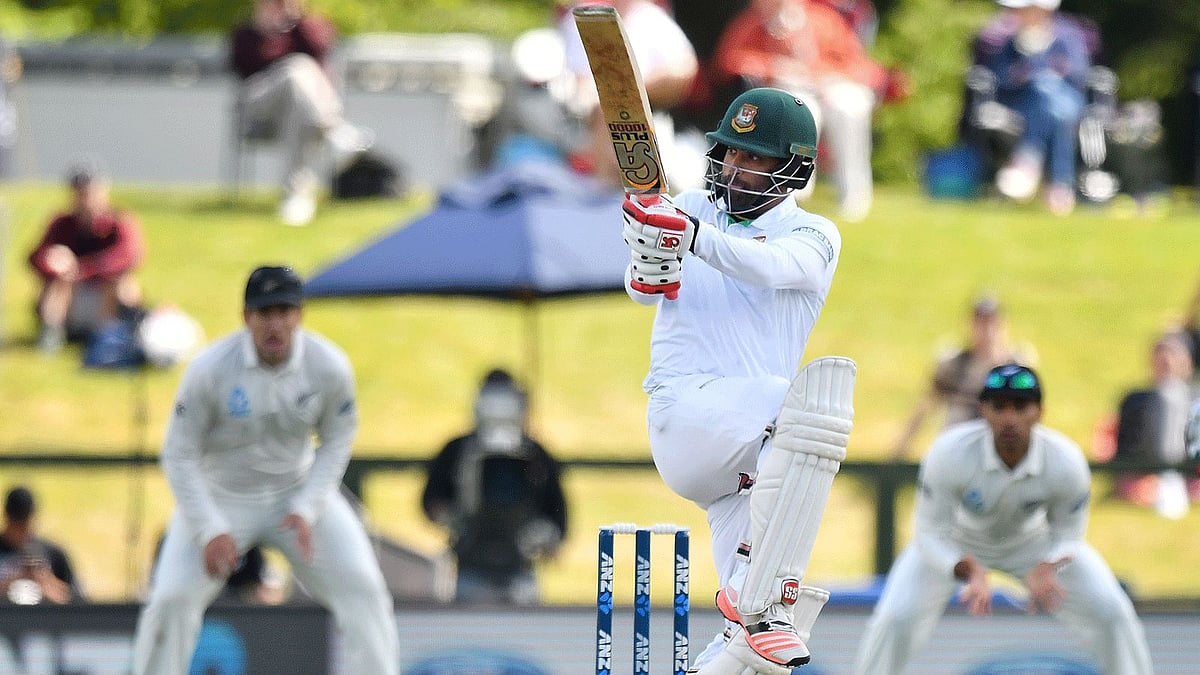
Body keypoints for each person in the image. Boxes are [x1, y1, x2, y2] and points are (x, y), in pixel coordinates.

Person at [621, 86, 854, 673]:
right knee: (808, 403)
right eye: (731, 153)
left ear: (794, 168)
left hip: (749, 455)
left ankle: (749, 611)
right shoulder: (690, 206)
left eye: (755, 158)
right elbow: (641, 284)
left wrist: (691, 236)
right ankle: (759, 589)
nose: (737, 167)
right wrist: (650, 254)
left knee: (755, 646)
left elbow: (770, 267)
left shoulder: (815, 235)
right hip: (685, 414)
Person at [131, 265, 399, 675]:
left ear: (300, 314)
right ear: (246, 317)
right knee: (170, 600)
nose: (275, 324)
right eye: (264, 313)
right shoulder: (210, 370)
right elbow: (178, 455)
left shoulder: (328, 366)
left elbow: (337, 440)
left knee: (364, 590)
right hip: (221, 495)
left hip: (295, 493)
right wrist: (209, 529)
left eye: (284, 312)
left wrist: (309, 505)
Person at [853, 364, 1155, 675]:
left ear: (1039, 412)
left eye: (1021, 406)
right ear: (984, 410)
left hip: (1033, 544)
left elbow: (1069, 533)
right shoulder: (950, 453)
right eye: (999, 407)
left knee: (1112, 612)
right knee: (895, 618)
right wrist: (963, 567)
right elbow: (929, 533)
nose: (1009, 419)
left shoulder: (1065, 461)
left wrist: (1050, 564)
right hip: (958, 543)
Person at [711, 0, 908, 222]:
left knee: (849, 106)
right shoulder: (754, 22)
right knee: (802, 108)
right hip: (787, 90)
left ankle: (853, 195)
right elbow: (730, 60)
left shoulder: (824, 19)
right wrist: (777, 67)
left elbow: (855, 61)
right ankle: (795, 187)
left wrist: (825, 77)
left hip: (830, 87)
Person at [421, 368, 568, 605]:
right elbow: (431, 502)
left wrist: (544, 535)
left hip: (521, 570)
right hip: (471, 567)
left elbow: (557, 514)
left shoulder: (535, 456)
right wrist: (454, 517)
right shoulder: (458, 452)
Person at [230, 0, 373, 226]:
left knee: (300, 85)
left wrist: (295, 21)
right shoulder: (247, 33)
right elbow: (243, 66)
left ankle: (296, 197)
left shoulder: (310, 26)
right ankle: (333, 128)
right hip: (261, 107)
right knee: (295, 70)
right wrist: (266, 31)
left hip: (297, 115)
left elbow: (319, 49)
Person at [558, 0, 701, 188]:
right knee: (607, 108)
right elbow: (580, 83)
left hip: (649, 118)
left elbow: (685, 71)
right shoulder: (586, 16)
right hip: (584, 123)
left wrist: (632, 86)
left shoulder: (652, 19)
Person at [974, 0, 1092, 216]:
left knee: (1048, 90)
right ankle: (1060, 187)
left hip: (1068, 101)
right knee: (1052, 109)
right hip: (1027, 105)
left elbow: (1079, 76)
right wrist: (1026, 69)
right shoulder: (1010, 41)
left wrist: (1043, 69)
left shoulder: (1068, 35)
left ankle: (1027, 159)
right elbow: (1001, 80)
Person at [891, 294, 1034, 461]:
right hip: (956, 452)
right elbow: (927, 405)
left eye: (992, 323)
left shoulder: (1017, 365)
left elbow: (1030, 413)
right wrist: (900, 449)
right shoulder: (953, 364)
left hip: (1001, 455)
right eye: (981, 323)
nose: (987, 331)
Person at [26, 162, 145, 353]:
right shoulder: (62, 224)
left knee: (119, 281)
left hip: (106, 299)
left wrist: (82, 269)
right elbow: (35, 257)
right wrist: (53, 260)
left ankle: (104, 337)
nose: (87, 199)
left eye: (92, 192)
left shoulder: (119, 222)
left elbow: (129, 256)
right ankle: (52, 334)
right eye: (81, 193)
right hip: (71, 298)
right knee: (60, 278)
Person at [1105, 333, 1199, 518]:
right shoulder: (1135, 399)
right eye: (1162, 358)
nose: (1168, 363)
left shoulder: (1195, 398)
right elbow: (1123, 444)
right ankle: (1169, 479)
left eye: (1173, 357)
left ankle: (1170, 479)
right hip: (1143, 470)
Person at [0, 486, 83, 605]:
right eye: (16, 524)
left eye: (24, 524)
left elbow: (79, 602)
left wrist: (44, 581)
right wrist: (11, 581)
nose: (21, 531)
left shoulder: (53, 554)